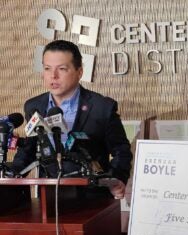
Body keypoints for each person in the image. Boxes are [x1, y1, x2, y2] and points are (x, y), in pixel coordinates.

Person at [12, 40, 132, 199]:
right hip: (49, 196)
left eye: (62, 69)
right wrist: (12, 174)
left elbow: (121, 150)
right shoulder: (34, 106)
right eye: (47, 68)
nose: (53, 76)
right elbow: (31, 147)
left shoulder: (102, 106)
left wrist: (117, 178)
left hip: (92, 196)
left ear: (79, 72)